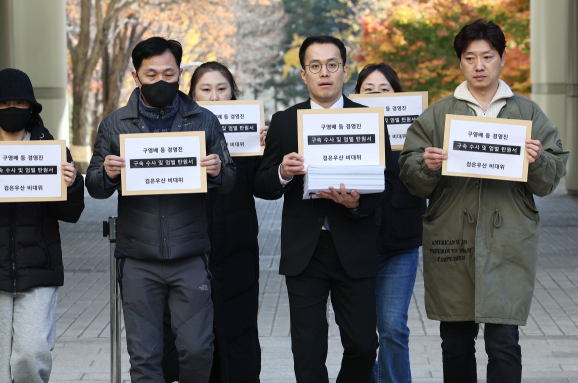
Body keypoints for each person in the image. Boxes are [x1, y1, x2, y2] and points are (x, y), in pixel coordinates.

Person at [399, 19, 569, 383]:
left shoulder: (527, 114)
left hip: (509, 239)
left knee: (504, 340)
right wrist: (426, 165)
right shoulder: (439, 114)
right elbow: (410, 174)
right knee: (455, 342)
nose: (479, 65)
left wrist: (537, 159)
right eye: (470, 57)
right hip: (451, 238)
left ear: (502, 59)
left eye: (487, 57)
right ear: (460, 62)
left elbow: (551, 178)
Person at [85, 37, 236, 382]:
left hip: (191, 255)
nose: (161, 81)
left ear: (180, 73)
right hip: (138, 258)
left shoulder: (204, 120)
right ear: (136, 76)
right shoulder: (115, 124)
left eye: (169, 73)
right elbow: (93, 184)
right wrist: (106, 173)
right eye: (151, 74)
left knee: (198, 350)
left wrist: (217, 170)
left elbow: (229, 178)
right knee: (145, 358)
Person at [254, 35, 393, 382]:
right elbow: (260, 184)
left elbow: (386, 183)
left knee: (363, 345)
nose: (324, 72)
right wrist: (282, 173)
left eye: (332, 64)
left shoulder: (370, 119)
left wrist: (357, 202)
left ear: (345, 70)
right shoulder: (285, 121)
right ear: (304, 75)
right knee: (308, 350)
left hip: (354, 246)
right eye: (315, 66)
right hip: (306, 251)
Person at [0, 68, 85, 383]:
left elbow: (71, 212)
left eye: (20, 103)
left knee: (31, 354)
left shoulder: (51, 151)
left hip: (39, 269)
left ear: (32, 107)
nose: (12, 109)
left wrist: (73, 185)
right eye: (4, 102)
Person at [162, 61, 267, 383]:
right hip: (189, 248)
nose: (215, 96)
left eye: (222, 89)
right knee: (192, 335)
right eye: (205, 89)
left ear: (233, 93)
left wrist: (266, 150)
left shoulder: (250, 135)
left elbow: (264, 188)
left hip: (237, 246)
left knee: (238, 329)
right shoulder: (176, 131)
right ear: (192, 95)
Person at [354, 63, 427, 383]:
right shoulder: (344, 131)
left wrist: (428, 163)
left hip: (400, 245)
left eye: (384, 90)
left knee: (393, 327)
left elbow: (425, 185)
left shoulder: (417, 135)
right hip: (356, 245)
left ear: (398, 96)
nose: (377, 96)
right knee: (361, 334)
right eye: (368, 90)